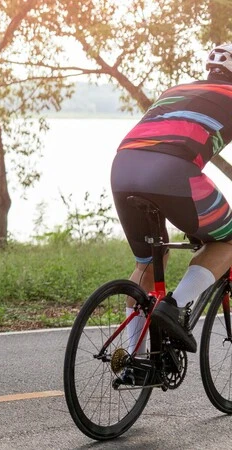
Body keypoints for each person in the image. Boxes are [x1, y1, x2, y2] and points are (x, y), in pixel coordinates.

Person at [111, 44, 232, 372]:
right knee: (228, 240)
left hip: (123, 168)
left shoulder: (176, 89)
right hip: (173, 172)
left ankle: (131, 359)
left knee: (150, 261)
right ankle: (175, 307)